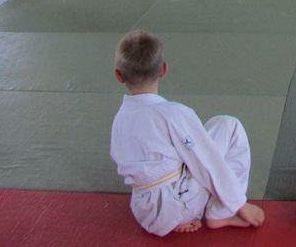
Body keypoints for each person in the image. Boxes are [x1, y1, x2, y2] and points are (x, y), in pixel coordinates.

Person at [110, 30, 264, 236]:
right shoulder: (173, 114)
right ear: (164, 70)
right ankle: (220, 213)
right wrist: (240, 204)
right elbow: (206, 161)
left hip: (144, 210)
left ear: (119, 76)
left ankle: (170, 217)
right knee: (229, 127)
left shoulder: (120, 119)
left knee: (205, 135)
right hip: (177, 205)